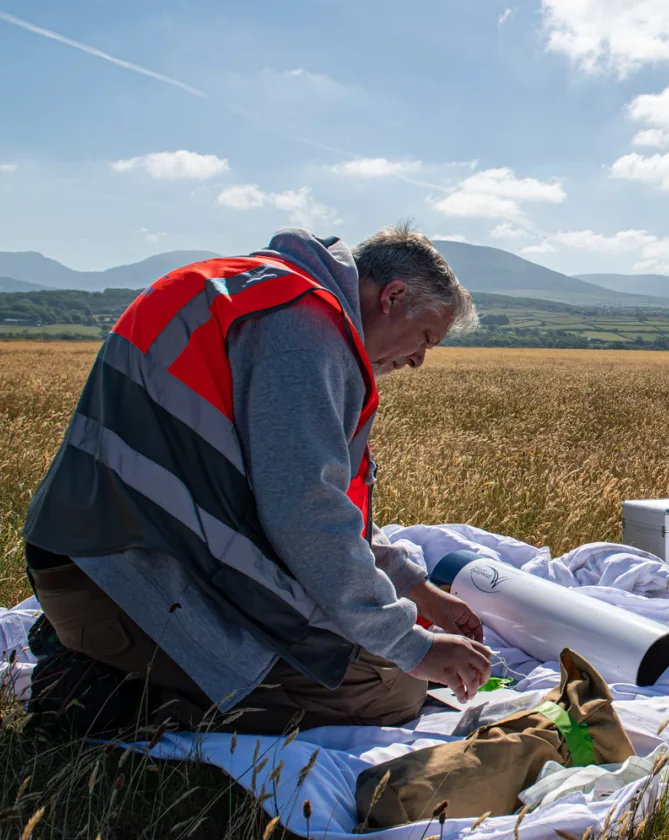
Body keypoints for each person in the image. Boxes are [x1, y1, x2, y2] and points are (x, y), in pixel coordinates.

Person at [21, 224, 492, 735]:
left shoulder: (268, 293)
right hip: (127, 573)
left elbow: (320, 500)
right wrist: (413, 646)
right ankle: (96, 694)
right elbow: (305, 511)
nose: (419, 360)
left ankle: (104, 647)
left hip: (95, 557)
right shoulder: (304, 332)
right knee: (389, 691)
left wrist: (419, 592)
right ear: (393, 296)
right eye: (425, 336)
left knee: (367, 652)